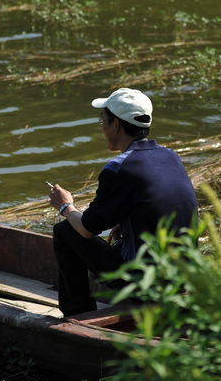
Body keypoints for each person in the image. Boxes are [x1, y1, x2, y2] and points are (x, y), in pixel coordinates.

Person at [48, 87, 197, 316]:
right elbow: (158, 204)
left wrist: (65, 206)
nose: (103, 127)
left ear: (115, 125)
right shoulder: (171, 157)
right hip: (184, 277)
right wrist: (127, 220)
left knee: (65, 231)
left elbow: (86, 228)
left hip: (143, 284)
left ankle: (77, 315)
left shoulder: (118, 168)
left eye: (103, 121)